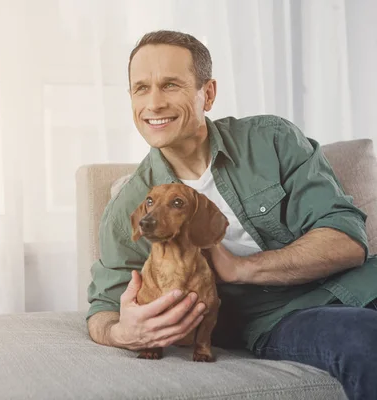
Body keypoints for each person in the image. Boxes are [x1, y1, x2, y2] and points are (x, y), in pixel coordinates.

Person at [86, 30, 377, 400]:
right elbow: (102, 310)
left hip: (367, 280)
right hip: (283, 317)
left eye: (170, 85)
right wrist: (123, 332)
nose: (153, 103)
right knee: (364, 339)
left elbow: (349, 242)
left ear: (207, 93)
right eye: (140, 88)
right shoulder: (130, 207)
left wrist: (242, 268)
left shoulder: (271, 139)